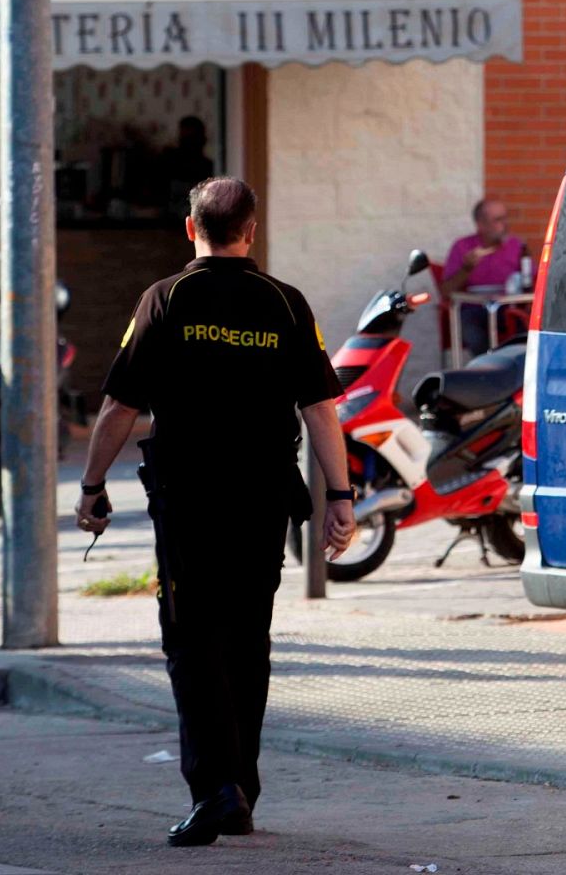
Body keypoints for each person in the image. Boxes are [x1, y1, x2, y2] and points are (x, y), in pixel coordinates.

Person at [74, 177, 358, 846]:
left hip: (188, 498)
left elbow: (119, 406)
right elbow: (321, 410)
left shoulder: (164, 299)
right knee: (245, 639)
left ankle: (217, 790)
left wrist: (91, 486)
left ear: (189, 228)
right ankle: (241, 789)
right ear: (251, 230)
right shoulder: (287, 304)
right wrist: (340, 499)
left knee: (192, 641)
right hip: (263, 499)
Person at [440, 196, 526, 357]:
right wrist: (467, 268)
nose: (505, 224)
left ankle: (518, 373)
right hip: (474, 309)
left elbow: (532, 279)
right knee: (472, 330)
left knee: (525, 328)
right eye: (498, 220)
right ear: (481, 224)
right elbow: (446, 291)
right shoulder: (462, 247)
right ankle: (489, 372)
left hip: (509, 307)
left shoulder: (516, 245)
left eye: (505, 218)